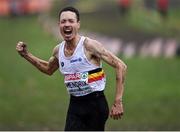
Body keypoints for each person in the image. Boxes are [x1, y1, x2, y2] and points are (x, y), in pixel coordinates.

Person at [16, 6, 127, 131]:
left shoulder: (89, 46)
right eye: (63, 21)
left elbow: (120, 66)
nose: (67, 24)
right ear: (59, 25)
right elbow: (48, 69)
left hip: (95, 104)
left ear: (78, 24)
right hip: (75, 105)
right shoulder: (58, 50)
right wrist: (26, 55)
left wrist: (118, 101)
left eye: (71, 21)